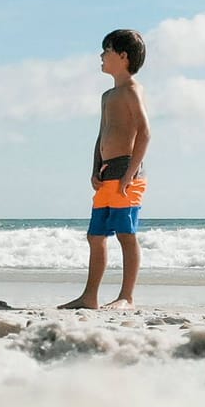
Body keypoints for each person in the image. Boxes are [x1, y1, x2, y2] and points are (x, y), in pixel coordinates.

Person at [61, 29, 149, 310]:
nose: (101, 56)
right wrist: (95, 168)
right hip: (107, 172)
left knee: (126, 234)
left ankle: (126, 296)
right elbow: (102, 134)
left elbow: (145, 133)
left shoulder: (132, 91)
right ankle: (90, 296)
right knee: (95, 235)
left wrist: (129, 173)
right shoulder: (107, 95)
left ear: (123, 57)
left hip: (126, 172)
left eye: (106, 50)